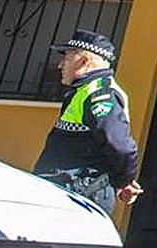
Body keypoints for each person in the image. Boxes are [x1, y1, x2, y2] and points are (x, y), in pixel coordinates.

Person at [34, 29, 143, 215]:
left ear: (84, 61)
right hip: (66, 191)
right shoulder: (83, 91)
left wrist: (124, 180)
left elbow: (121, 146)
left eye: (67, 58)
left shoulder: (99, 94)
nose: (60, 65)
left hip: (79, 195)